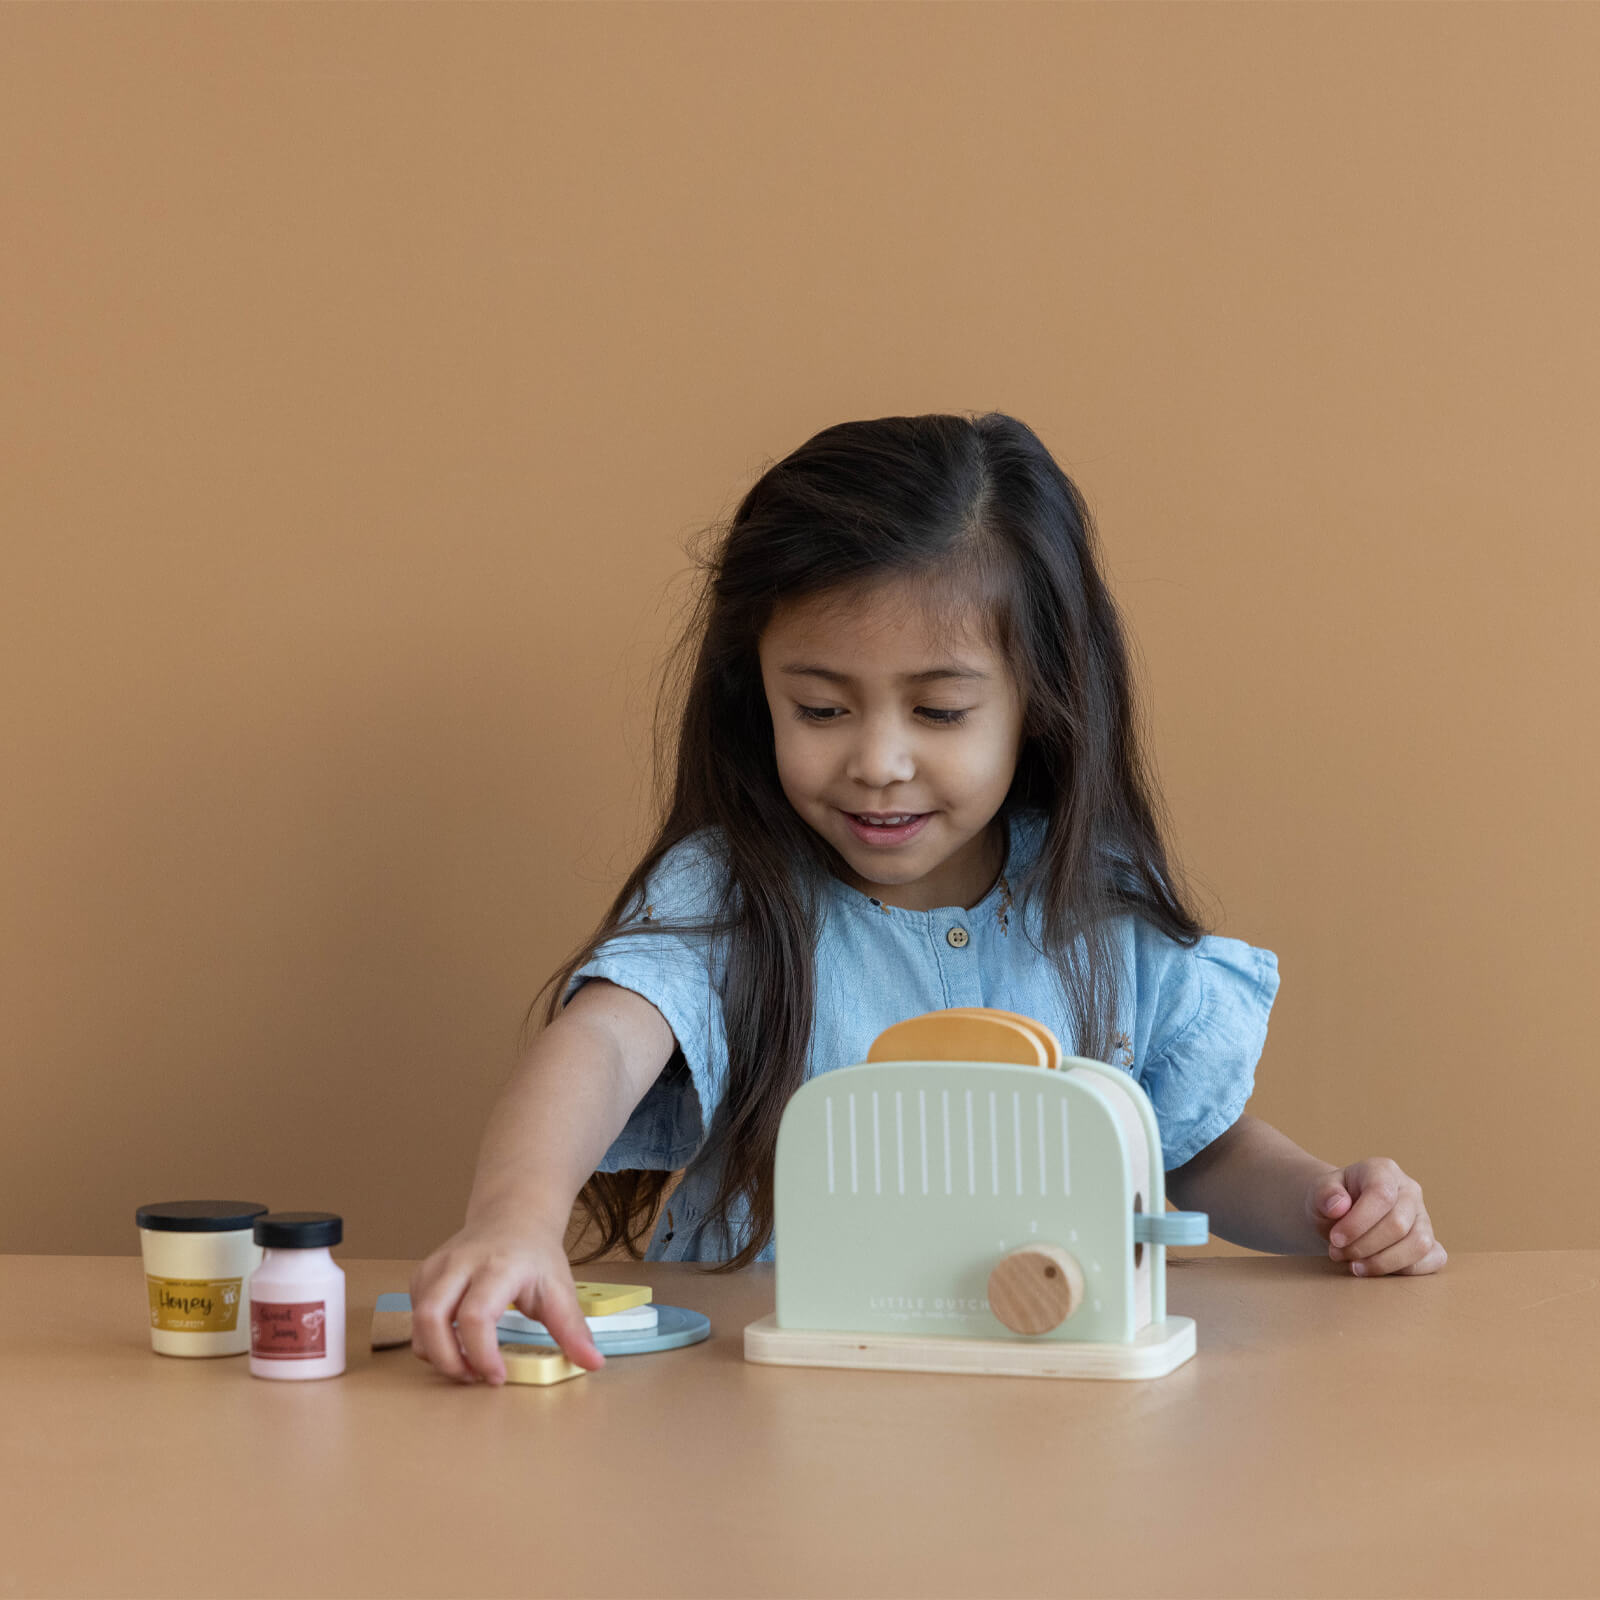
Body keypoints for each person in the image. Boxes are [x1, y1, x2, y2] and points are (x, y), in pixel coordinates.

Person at [410, 412, 1446, 1387]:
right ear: (753, 690)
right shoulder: (733, 891)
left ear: (1040, 698)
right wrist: (514, 1213)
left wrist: (1328, 1205)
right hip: (759, 1393)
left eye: (940, 709)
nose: (878, 761)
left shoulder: (1095, 903)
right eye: (819, 707)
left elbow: (1194, 1144)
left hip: (1047, 1396)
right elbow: (600, 1043)